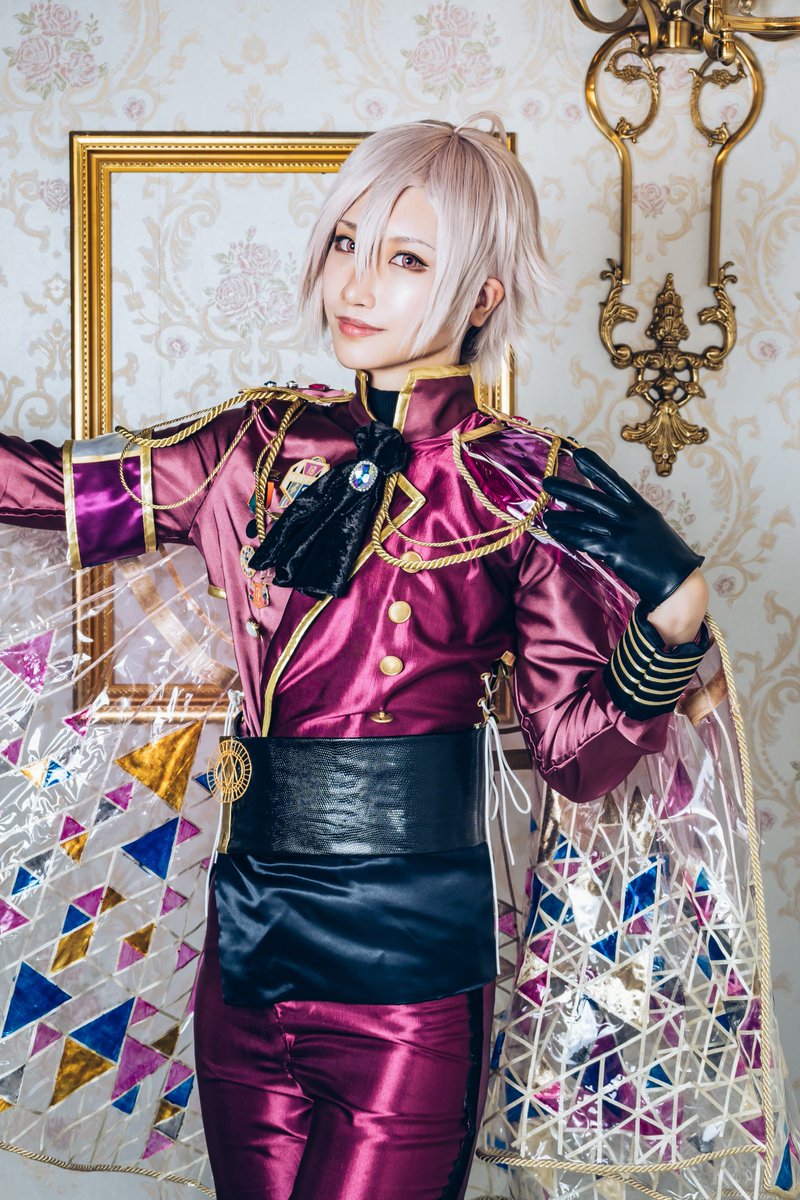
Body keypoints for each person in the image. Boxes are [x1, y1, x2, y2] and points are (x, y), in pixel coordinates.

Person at [1, 113, 788, 1200]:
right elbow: (48, 489)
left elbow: (576, 761)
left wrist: (674, 619)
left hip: (408, 984)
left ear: (481, 295)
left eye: (406, 258)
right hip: (245, 958)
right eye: (345, 243)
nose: (356, 284)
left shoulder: (523, 485)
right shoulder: (250, 448)